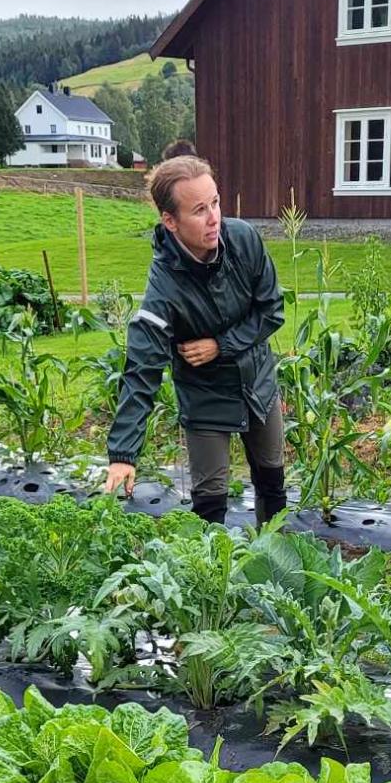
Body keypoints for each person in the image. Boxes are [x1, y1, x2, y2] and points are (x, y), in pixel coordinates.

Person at [103, 154, 287, 527]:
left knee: (272, 481)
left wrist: (221, 344)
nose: (214, 217)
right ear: (170, 221)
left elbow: (272, 310)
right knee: (210, 502)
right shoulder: (164, 289)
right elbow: (143, 369)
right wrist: (123, 453)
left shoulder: (244, 240)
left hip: (258, 382)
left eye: (215, 202)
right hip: (205, 396)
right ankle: (211, 580)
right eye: (199, 210)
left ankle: (273, 566)